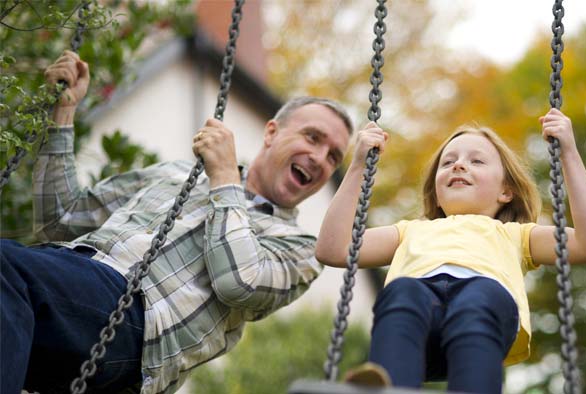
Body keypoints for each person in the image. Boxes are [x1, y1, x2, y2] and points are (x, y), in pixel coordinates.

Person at [0, 50, 354, 394]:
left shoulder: (303, 248)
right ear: (272, 132)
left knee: (6, 265)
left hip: (138, 325)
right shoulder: (177, 173)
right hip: (72, 276)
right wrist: (63, 112)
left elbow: (238, 283)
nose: (320, 158)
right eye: (313, 137)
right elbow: (60, 220)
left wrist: (226, 178)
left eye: (333, 156)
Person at [315, 114, 586, 393]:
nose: (458, 166)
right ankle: (391, 384)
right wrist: (357, 168)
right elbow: (334, 249)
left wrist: (569, 154)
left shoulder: (515, 234)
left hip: (483, 323)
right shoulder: (411, 231)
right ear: (436, 189)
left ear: (506, 191)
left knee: (479, 295)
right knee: (402, 290)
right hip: (419, 332)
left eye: (477, 161)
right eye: (448, 162)